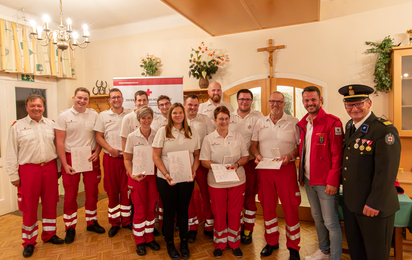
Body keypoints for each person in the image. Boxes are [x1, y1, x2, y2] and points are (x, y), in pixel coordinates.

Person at [339, 84, 401, 260]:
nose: (354, 109)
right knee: (357, 252)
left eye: (359, 104)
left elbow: (387, 171)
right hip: (353, 204)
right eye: (349, 105)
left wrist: (375, 202)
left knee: (375, 255)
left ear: (369, 103)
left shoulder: (384, 130)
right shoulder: (350, 125)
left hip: (374, 206)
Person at [6, 94, 64, 258]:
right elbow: (11, 152)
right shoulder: (17, 126)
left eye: (39, 106)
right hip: (28, 170)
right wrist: (13, 175)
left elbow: (58, 148)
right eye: (33, 106)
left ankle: (49, 234)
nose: (36, 108)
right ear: (27, 107)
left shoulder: (52, 124)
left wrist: (59, 168)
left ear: (43, 108)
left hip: (50, 168)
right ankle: (29, 242)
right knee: (29, 207)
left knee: (51, 203)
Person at [250, 91, 301, 260]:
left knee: (290, 207)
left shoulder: (294, 122)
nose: (275, 105)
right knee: (268, 206)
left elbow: (299, 147)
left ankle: (294, 247)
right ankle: (271, 242)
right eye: (272, 101)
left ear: (284, 104)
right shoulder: (260, 122)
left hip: (285, 169)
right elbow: (253, 145)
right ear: (268, 103)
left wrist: (291, 156)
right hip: (265, 169)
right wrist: (256, 155)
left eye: (279, 102)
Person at [296, 86, 343, 260]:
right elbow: (304, 152)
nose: (310, 103)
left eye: (313, 99)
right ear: (303, 102)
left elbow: (338, 155)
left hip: (326, 183)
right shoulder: (303, 123)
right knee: (317, 217)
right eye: (307, 100)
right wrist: (301, 176)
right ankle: (324, 251)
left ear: (320, 100)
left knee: (331, 222)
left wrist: (332, 181)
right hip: (309, 180)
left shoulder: (332, 122)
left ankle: (335, 257)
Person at [55, 87, 105, 244]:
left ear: (88, 100)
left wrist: (98, 151)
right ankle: (70, 227)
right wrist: (64, 164)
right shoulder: (63, 116)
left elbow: (99, 136)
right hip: (71, 157)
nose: (82, 101)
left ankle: (91, 222)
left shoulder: (94, 115)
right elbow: (59, 142)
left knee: (92, 191)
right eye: (80, 98)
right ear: (73, 97)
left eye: (85, 98)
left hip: (90, 156)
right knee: (70, 194)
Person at [200, 106, 249, 258]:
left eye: (226, 119)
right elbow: (203, 161)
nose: (224, 121)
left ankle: (234, 243)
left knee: (235, 212)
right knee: (219, 213)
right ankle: (220, 243)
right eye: (220, 119)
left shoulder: (238, 136)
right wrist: (217, 167)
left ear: (230, 120)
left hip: (237, 180)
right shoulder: (209, 139)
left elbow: (245, 157)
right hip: (216, 182)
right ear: (214, 120)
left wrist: (237, 164)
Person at [152, 103, 200, 260]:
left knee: (183, 210)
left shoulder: (192, 132)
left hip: (186, 177)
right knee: (169, 211)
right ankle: (170, 244)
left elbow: (197, 155)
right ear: (170, 115)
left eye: (181, 112)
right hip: (167, 178)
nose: (178, 115)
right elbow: (156, 156)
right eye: (175, 113)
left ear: (184, 114)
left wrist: (193, 171)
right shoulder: (162, 131)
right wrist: (165, 173)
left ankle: (184, 243)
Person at [94, 88, 131, 237]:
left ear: (122, 99)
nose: (116, 99)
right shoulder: (103, 116)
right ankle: (115, 221)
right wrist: (110, 149)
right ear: (109, 100)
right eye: (113, 97)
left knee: (126, 190)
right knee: (112, 190)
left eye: (118, 97)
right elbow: (98, 137)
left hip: (128, 159)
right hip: (111, 158)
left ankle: (127, 220)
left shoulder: (130, 114)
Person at [124, 106, 161, 256]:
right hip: (137, 177)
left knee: (151, 208)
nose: (146, 121)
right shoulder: (132, 136)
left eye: (149, 117)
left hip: (153, 176)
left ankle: (149, 237)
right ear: (138, 119)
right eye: (143, 118)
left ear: (152, 119)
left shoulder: (157, 135)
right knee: (139, 208)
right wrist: (132, 174)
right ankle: (139, 241)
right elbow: (127, 159)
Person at [228, 89, 264, 244]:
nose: (245, 102)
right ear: (237, 100)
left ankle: (248, 229)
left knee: (249, 198)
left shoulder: (259, 117)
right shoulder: (229, 116)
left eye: (248, 99)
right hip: (230, 165)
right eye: (242, 99)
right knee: (233, 198)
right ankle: (234, 227)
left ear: (252, 101)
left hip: (249, 163)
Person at [184, 94, 215, 242]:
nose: (193, 108)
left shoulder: (205, 120)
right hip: (184, 164)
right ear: (185, 105)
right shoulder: (178, 119)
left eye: (195, 105)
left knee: (206, 194)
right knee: (188, 197)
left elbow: (211, 140)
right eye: (190, 104)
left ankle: (209, 225)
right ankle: (193, 227)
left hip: (202, 163)